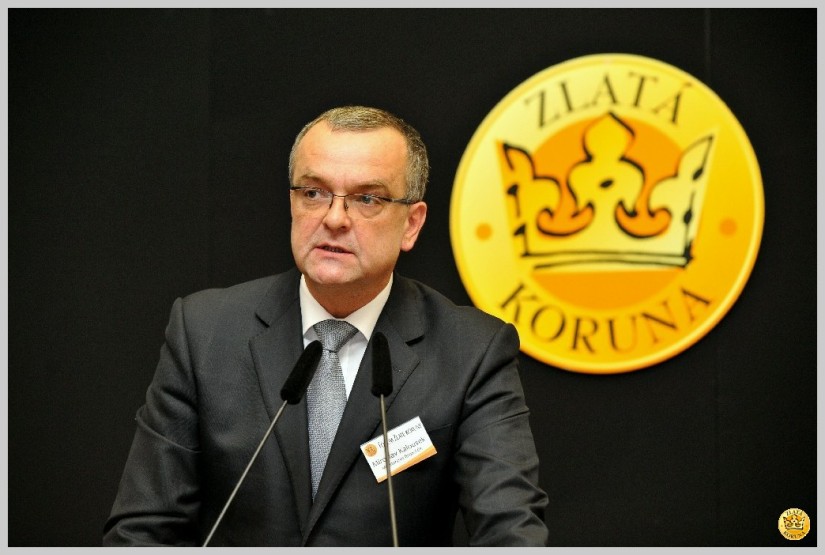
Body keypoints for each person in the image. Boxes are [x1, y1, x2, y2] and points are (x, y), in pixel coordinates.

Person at [103, 106, 549, 546]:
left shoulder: (471, 352)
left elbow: (511, 533)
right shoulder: (205, 333)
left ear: (411, 224)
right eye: (314, 193)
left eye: (367, 199)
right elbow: (142, 532)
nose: (334, 219)